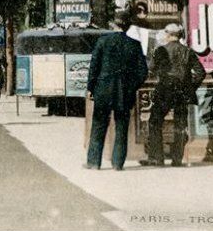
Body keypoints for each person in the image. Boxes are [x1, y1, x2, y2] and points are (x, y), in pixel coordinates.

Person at [85, 9, 149, 170]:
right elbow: (143, 72)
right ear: (128, 27)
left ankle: (93, 162)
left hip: (103, 90)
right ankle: (118, 163)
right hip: (124, 93)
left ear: (114, 24)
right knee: (121, 127)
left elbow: (94, 67)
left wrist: (90, 87)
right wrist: (131, 86)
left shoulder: (102, 41)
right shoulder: (134, 44)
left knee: (99, 125)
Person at [140, 23, 205, 167]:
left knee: (155, 122)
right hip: (182, 92)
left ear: (168, 34)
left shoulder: (160, 50)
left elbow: (150, 68)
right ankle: (177, 159)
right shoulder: (187, 51)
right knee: (180, 124)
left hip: (165, 91)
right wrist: (190, 87)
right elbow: (201, 73)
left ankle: (158, 158)